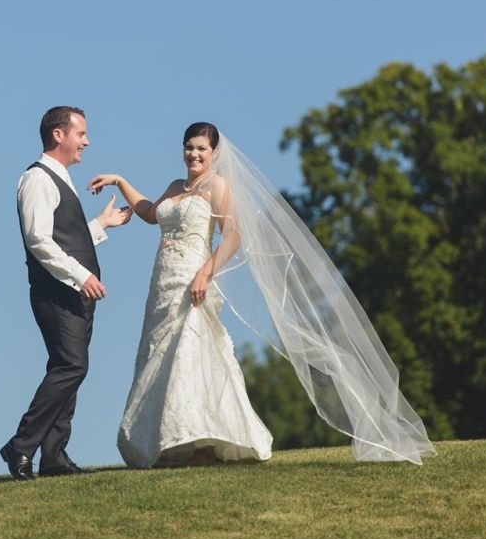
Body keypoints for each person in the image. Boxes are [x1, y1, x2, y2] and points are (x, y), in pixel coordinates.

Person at [89, 122, 435, 468]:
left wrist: (205, 272)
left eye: (201, 149)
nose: (194, 154)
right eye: (189, 147)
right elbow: (151, 214)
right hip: (163, 280)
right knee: (161, 353)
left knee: (191, 350)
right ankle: (171, 441)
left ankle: (205, 442)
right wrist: (119, 180)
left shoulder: (218, 186)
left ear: (213, 153)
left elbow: (234, 235)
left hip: (194, 277)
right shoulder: (175, 186)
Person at [0, 106, 132, 480]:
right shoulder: (37, 179)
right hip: (56, 294)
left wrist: (101, 225)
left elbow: (65, 239)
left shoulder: (59, 178)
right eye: (81, 134)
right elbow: (38, 240)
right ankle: (21, 446)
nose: (86, 142)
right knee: (71, 366)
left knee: (68, 369)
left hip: (75, 296)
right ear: (59, 135)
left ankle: (54, 456)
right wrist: (81, 275)